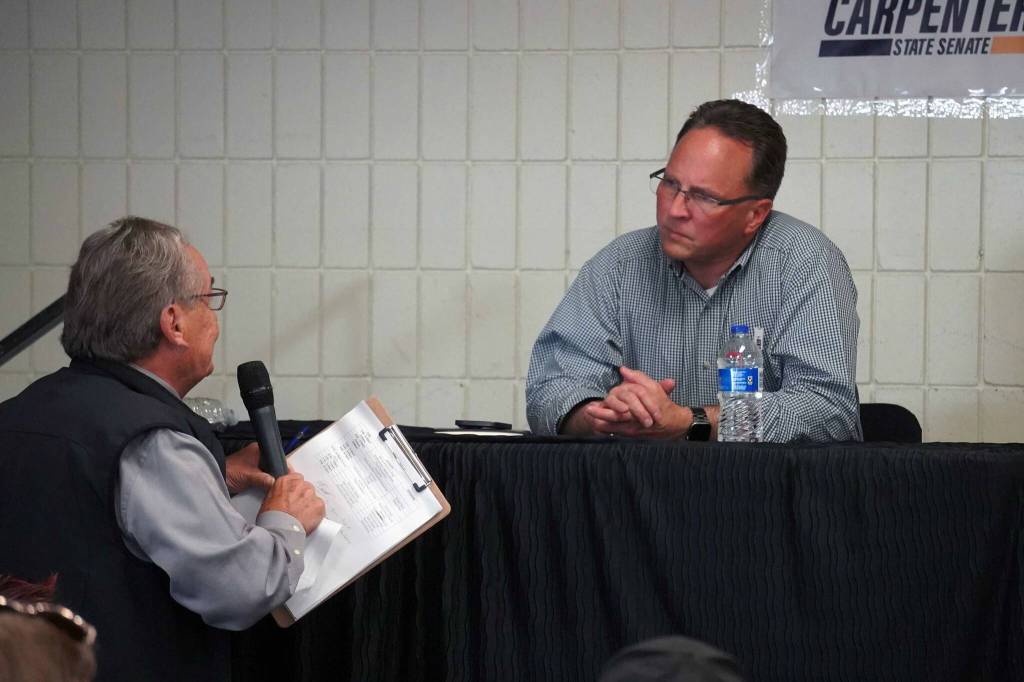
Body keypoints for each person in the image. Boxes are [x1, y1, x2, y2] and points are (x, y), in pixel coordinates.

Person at [0, 217, 326, 681]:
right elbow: (241, 589)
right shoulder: (153, 444)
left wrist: (212, 476)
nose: (214, 322)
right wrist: (285, 520)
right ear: (173, 322)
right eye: (209, 300)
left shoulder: (18, 413)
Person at [526, 99, 861, 442]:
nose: (674, 209)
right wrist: (602, 414)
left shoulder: (804, 262)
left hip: (764, 491)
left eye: (703, 197)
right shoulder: (619, 265)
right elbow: (549, 389)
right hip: (644, 490)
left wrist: (692, 422)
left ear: (755, 215)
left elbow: (828, 412)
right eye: (670, 183)